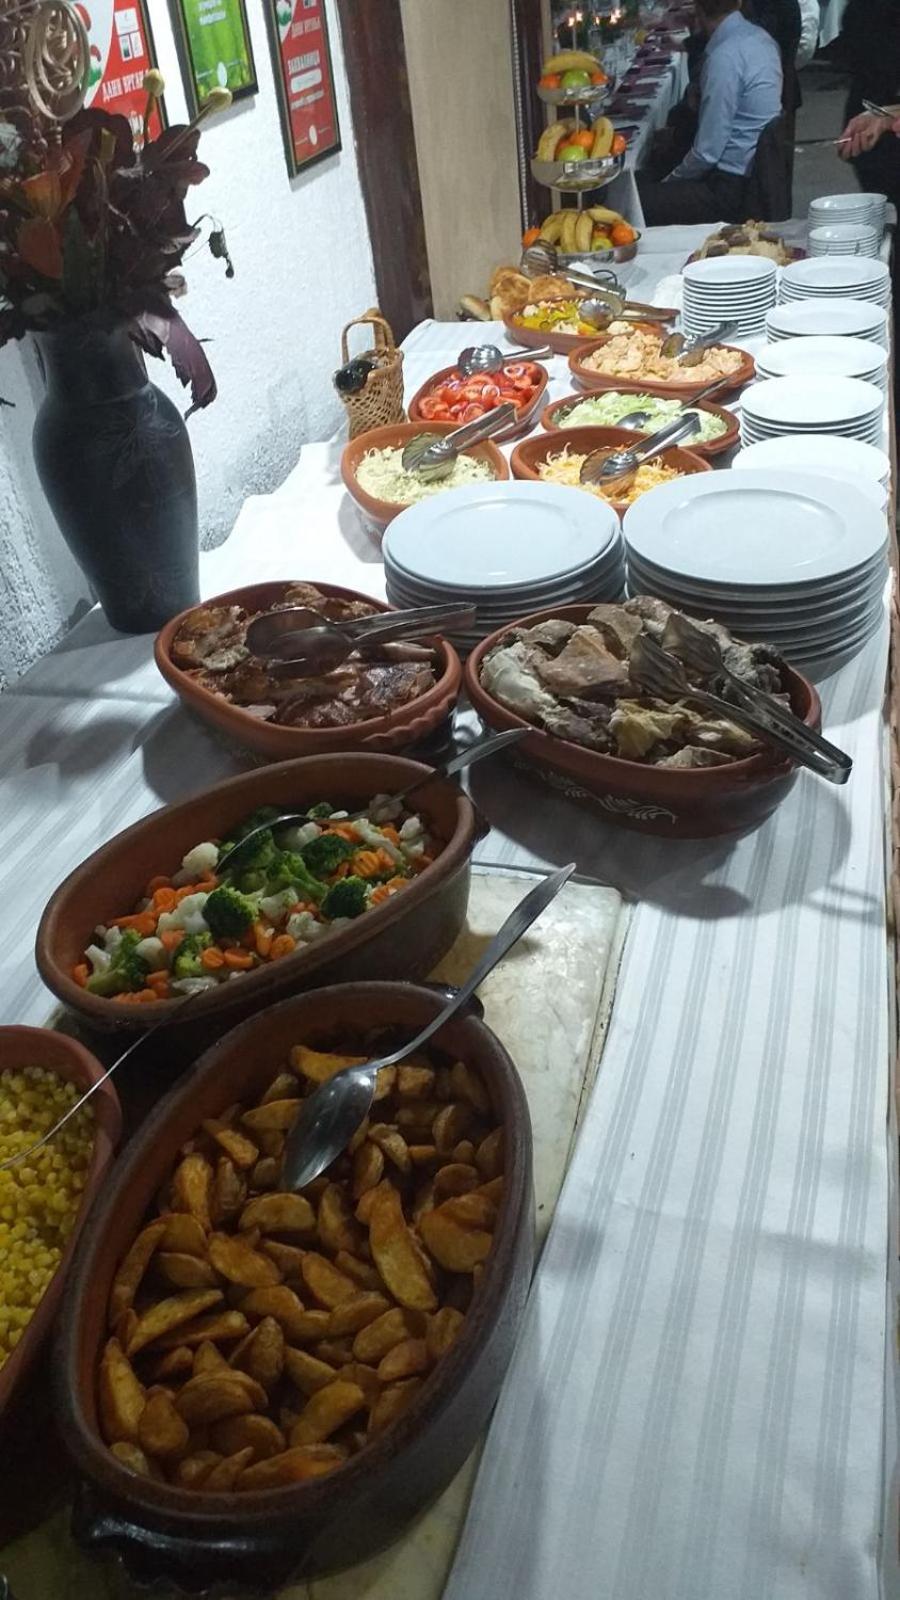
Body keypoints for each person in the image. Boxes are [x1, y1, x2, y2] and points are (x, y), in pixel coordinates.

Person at [637, 0, 782, 225]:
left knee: (632, 201)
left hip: (731, 189)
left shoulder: (724, 57)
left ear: (698, 9)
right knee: (648, 173)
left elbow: (707, 154)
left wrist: (668, 182)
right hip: (761, 174)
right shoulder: (761, 38)